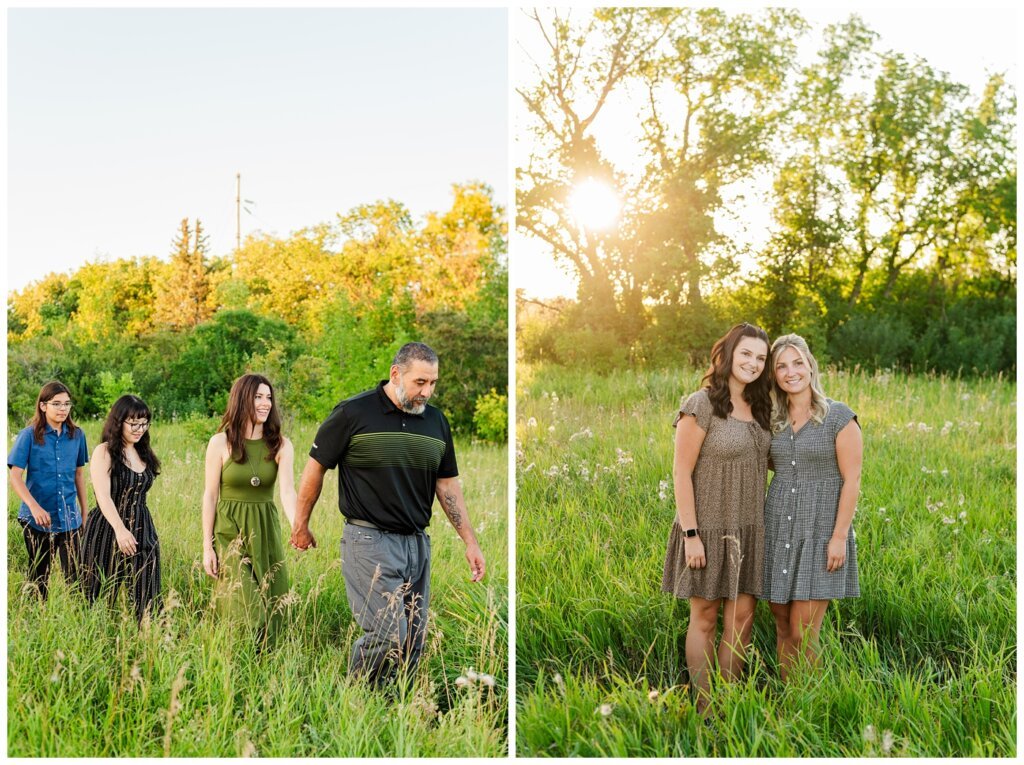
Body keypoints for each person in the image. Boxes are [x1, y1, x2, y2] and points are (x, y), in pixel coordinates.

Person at [290, 342, 486, 687]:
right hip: (368, 540)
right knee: (387, 634)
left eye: (433, 383)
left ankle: (398, 706)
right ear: (396, 374)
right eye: (420, 382)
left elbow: (448, 487)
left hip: (417, 545)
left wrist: (470, 541)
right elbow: (315, 469)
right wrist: (301, 524)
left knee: (413, 639)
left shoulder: (437, 423)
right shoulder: (353, 413)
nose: (427, 391)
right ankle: (357, 699)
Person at [661, 323, 772, 712]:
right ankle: (705, 708)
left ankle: (727, 706)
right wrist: (691, 533)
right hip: (706, 527)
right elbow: (680, 472)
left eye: (761, 358)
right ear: (726, 354)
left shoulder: (762, 408)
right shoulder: (701, 404)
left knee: (741, 620)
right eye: (746, 354)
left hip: (749, 528)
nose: (753, 363)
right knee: (705, 616)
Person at [762, 334, 862, 680]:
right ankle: (788, 699)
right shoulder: (771, 419)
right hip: (777, 527)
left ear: (810, 366)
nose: (791, 372)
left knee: (804, 627)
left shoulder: (838, 417)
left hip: (820, 530)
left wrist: (838, 537)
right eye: (782, 366)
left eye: (797, 363)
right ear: (773, 375)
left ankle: (810, 701)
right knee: (781, 622)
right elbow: (774, 465)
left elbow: (852, 480)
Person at [202, 374, 297, 646]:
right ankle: (235, 657)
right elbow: (210, 496)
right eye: (258, 397)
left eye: (269, 397)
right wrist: (207, 547)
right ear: (242, 399)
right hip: (229, 532)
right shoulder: (219, 443)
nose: (265, 403)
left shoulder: (281, 444)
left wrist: (297, 526)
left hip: (265, 529)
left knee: (274, 605)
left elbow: (288, 492)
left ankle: (267, 667)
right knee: (246, 606)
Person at [80, 395, 163, 623]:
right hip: (108, 527)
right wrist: (120, 529)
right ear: (119, 422)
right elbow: (103, 496)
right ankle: (96, 640)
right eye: (133, 423)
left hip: (142, 525)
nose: (139, 429)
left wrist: (132, 530)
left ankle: (148, 638)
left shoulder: (143, 452)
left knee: (147, 590)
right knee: (97, 592)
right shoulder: (104, 452)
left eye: (144, 423)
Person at [7, 381, 89, 600]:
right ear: (43, 406)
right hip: (36, 519)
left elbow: (79, 475)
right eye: (56, 404)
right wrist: (34, 507)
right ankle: (37, 619)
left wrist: (84, 512)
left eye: (67, 404)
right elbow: (14, 476)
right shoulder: (29, 435)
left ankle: (76, 620)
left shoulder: (77, 436)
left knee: (76, 578)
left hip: (70, 518)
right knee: (39, 577)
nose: (63, 409)